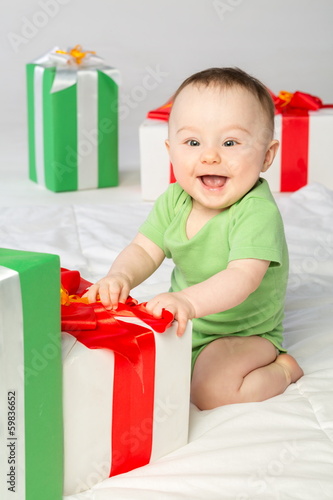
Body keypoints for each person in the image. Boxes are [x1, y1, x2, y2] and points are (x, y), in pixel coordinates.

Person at [86, 67, 303, 410]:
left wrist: (187, 302)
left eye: (230, 142)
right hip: (182, 323)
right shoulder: (174, 200)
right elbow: (144, 248)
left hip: (242, 334)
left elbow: (242, 278)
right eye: (193, 142)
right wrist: (120, 276)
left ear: (266, 155)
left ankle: (283, 370)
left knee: (209, 392)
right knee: (120, 366)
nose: (210, 155)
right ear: (171, 151)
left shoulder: (256, 212)